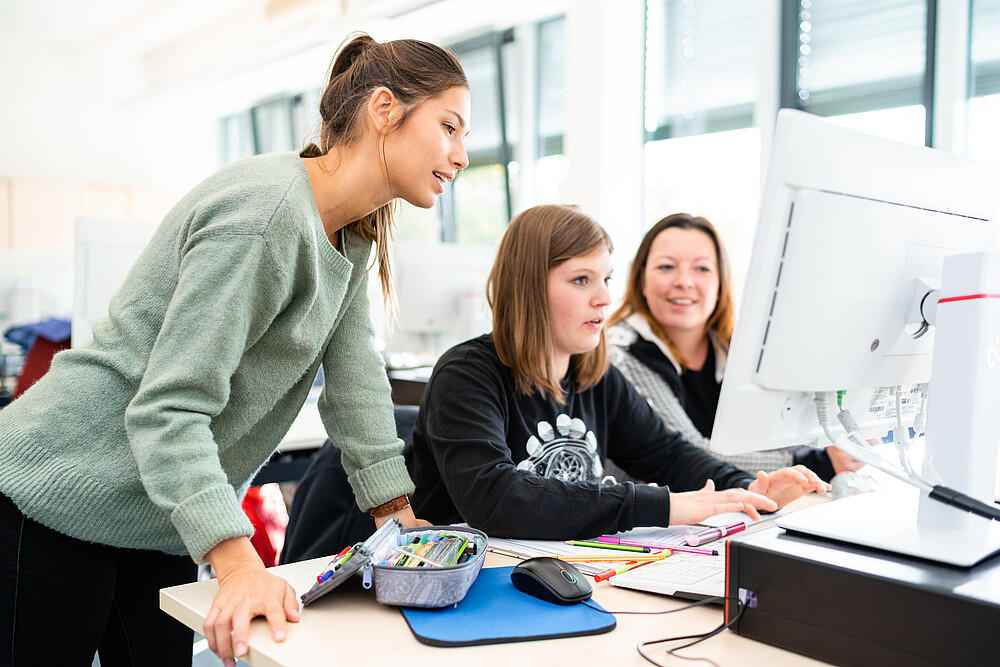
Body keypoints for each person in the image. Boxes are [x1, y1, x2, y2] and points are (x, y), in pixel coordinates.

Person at [0, 33, 469, 667]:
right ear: (385, 109)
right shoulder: (269, 212)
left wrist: (399, 521)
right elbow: (168, 410)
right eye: (450, 127)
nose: (462, 155)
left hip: (159, 510)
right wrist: (238, 561)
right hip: (59, 489)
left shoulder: (352, 235)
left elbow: (358, 390)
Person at [408, 205, 829, 539]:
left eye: (606, 278)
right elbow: (495, 499)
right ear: (529, 287)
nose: (605, 298)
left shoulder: (595, 374)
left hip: (558, 566)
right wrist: (659, 506)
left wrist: (744, 487)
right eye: (581, 280)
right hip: (461, 580)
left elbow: (667, 454)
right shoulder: (466, 374)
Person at [606, 213, 862, 481]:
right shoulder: (621, 353)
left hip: (730, 511)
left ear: (720, 284)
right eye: (666, 267)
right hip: (655, 518)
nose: (684, 281)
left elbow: (775, 431)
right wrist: (812, 464)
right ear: (641, 280)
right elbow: (686, 452)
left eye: (702, 268)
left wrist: (840, 448)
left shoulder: (734, 350)